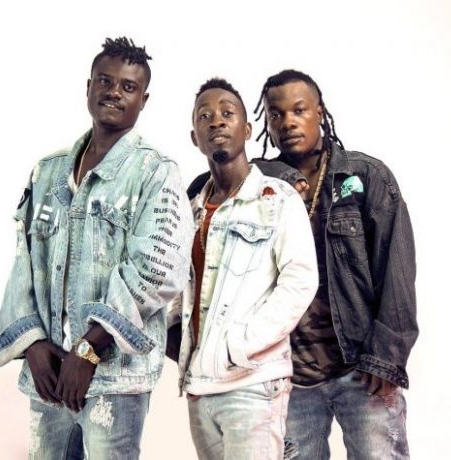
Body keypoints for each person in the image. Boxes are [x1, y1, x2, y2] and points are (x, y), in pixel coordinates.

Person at [0, 37, 193, 459]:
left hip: (115, 380)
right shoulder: (47, 171)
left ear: (144, 100)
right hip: (50, 375)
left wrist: (90, 347)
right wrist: (33, 344)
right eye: (105, 81)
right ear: (88, 86)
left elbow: (159, 268)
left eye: (128, 87)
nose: (114, 92)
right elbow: (25, 261)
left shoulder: (156, 173)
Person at [250, 69, 418, 459]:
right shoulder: (258, 186)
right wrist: (273, 173)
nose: (287, 122)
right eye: (276, 114)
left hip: (362, 368)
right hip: (289, 377)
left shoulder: (365, 177)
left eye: (299, 110)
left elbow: (397, 270)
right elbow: (206, 188)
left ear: (320, 112)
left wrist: (386, 357)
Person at [167, 78, 318, 459]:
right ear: (195, 137)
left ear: (247, 130)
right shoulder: (190, 210)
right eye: (205, 116)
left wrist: (241, 345)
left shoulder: (277, 199)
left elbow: (301, 280)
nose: (216, 121)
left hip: (252, 383)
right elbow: (179, 288)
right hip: (200, 385)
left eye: (227, 113)